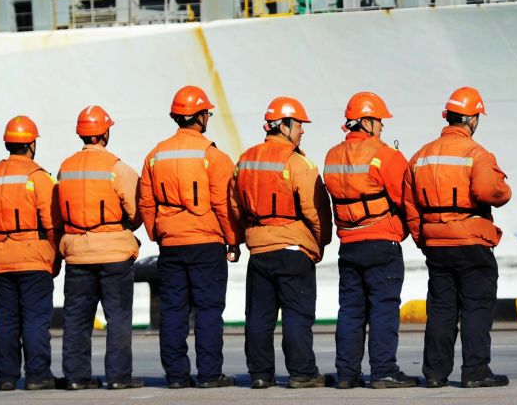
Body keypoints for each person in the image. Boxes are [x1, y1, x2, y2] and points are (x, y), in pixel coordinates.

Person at [404, 87, 512, 389]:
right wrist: (506, 189)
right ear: (472, 120)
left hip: (437, 245)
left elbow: (410, 206)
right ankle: (475, 371)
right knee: (476, 307)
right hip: (470, 243)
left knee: (440, 310)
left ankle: (435, 373)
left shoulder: (420, 156)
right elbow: (490, 192)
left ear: (448, 117)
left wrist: (424, 240)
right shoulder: (477, 154)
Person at [139, 86, 240, 389]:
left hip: (171, 244)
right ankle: (210, 374)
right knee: (208, 310)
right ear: (198, 116)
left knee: (173, 311)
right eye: (207, 112)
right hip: (207, 244)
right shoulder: (213, 156)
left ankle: (176, 376)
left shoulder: (155, 156)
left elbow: (146, 203)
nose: (208, 116)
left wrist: (159, 233)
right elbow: (224, 203)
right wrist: (233, 239)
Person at [230, 96, 332, 389]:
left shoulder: (245, 160)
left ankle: (260, 374)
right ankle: (302, 372)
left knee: (259, 316)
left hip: (259, 250)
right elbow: (315, 210)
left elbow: (234, 206)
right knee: (297, 314)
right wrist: (320, 242)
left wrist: (245, 235)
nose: (302, 131)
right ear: (285, 125)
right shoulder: (298, 162)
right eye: (299, 125)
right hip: (293, 250)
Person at [322, 92, 417, 389]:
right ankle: (384, 371)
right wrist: (411, 232)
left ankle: (347, 374)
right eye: (379, 122)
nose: (382, 128)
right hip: (381, 243)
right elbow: (408, 199)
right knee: (383, 308)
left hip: (349, 245)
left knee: (350, 310)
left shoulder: (331, 156)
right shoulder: (387, 156)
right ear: (366, 121)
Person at [55, 105, 143, 391]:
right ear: (105, 133)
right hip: (114, 253)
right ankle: (119, 377)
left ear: (82, 133)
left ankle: (76, 377)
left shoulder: (65, 168)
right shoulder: (117, 168)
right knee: (117, 317)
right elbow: (135, 210)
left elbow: (57, 211)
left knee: (77, 318)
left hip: (77, 254)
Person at [0, 115, 59, 392]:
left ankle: (7, 376)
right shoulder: (38, 177)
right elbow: (52, 221)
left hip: (2, 260)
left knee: (7, 319)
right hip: (34, 258)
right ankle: (37, 375)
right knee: (35, 318)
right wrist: (55, 255)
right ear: (32, 144)